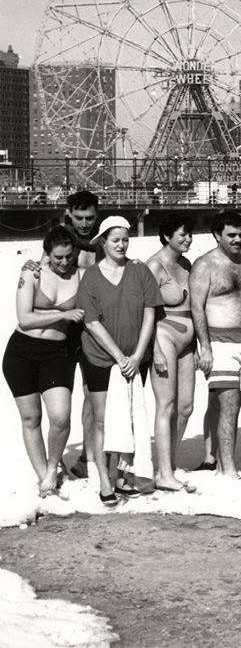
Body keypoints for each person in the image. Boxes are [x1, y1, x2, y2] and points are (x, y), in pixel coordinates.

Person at [76, 216, 163, 506]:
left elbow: (150, 313)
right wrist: (120, 357)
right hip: (101, 358)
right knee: (103, 421)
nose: (121, 245)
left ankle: (125, 476)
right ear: (103, 242)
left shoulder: (140, 272)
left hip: (136, 358)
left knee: (130, 416)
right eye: (115, 240)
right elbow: (91, 323)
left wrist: (137, 356)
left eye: (125, 239)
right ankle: (104, 479)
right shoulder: (91, 277)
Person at [23, 190, 101, 479]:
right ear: (69, 213)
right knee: (59, 402)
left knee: (93, 395)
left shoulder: (102, 241)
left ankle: (86, 457)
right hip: (62, 332)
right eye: (79, 217)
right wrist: (31, 265)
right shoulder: (62, 241)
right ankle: (55, 460)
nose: (84, 224)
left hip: (92, 329)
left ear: (97, 215)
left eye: (90, 218)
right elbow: (45, 267)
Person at [4, 226, 85, 497]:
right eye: (58, 258)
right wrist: (63, 315)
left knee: (61, 417)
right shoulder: (32, 272)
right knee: (31, 418)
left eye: (68, 257)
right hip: (21, 351)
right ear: (47, 254)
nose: (64, 263)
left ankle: (53, 467)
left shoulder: (81, 275)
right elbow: (25, 318)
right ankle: (44, 479)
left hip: (56, 353)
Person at [196, 212, 241, 472]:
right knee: (229, 404)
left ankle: (232, 463)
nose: (239, 240)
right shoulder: (204, 265)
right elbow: (197, 308)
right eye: (232, 235)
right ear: (217, 236)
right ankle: (226, 467)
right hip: (220, 343)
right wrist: (204, 347)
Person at [145, 213, 197, 492]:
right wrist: (155, 349)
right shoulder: (155, 265)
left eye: (190, 234)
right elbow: (147, 311)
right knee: (166, 405)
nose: (188, 239)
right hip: (164, 336)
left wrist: (199, 346)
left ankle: (168, 463)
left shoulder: (185, 263)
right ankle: (164, 472)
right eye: (182, 234)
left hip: (187, 341)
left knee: (186, 406)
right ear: (167, 236)